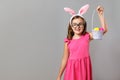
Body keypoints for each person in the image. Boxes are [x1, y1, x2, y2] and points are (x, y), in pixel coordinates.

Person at [57, 4, 108, 80]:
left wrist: (100, 15)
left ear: (84, 25)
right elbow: (64, 59)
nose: (77, 27)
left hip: (84, 67)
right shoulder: (68, 41)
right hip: (72, 69)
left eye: (80, 24)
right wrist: (59, 76)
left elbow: (104, 30)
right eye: (74, 24)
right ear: (71, 26)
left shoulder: (87, 36)